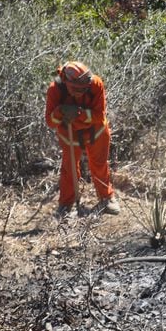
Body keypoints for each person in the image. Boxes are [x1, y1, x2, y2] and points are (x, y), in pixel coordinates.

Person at [45, 61, 119, 217]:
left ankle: (107, 198)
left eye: (84, 89)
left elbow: (99, 116)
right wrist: (60, 112)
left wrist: (79, 113)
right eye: (77, 89)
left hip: (96, 132)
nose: (81, 92)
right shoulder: (55, 90)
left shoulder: (96, 84)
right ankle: (65, 205)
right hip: (70, 135)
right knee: (69, 169)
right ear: (66, 82)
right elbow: (50, 122)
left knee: (99, 165)